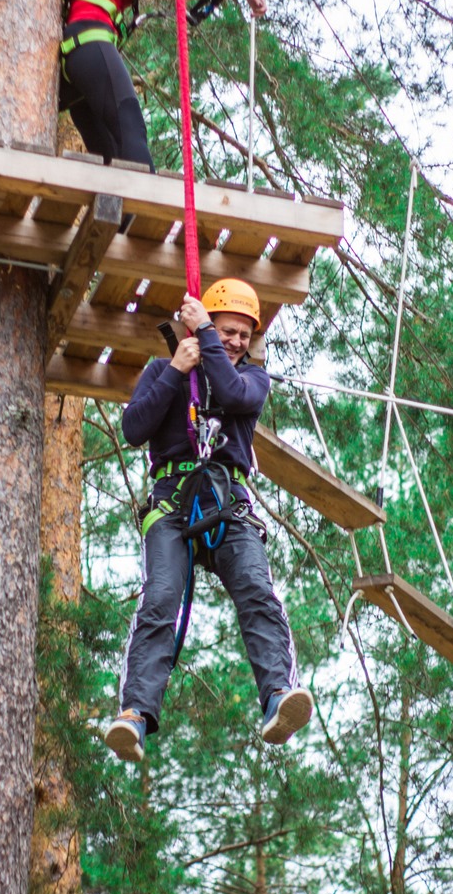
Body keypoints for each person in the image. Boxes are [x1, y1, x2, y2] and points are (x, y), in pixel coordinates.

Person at [104, 278, 312, 763]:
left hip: (227, 502)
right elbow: (135, 429)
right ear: (205, 325)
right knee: (158, 601)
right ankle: (135, 712)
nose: (237, 341)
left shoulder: (253, 379)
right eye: (228, 330)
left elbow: (235, 396)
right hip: (173, 502)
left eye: (243, 333)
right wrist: (177, 370)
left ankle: (278, 694)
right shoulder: (164, 369)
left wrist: (208, 340)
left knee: (257, 592)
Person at [60, 0, 269, 170]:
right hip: (89, 42)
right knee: (130, 125)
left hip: (81, 62)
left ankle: (123, 212)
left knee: (111, 152)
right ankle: (142, 204)